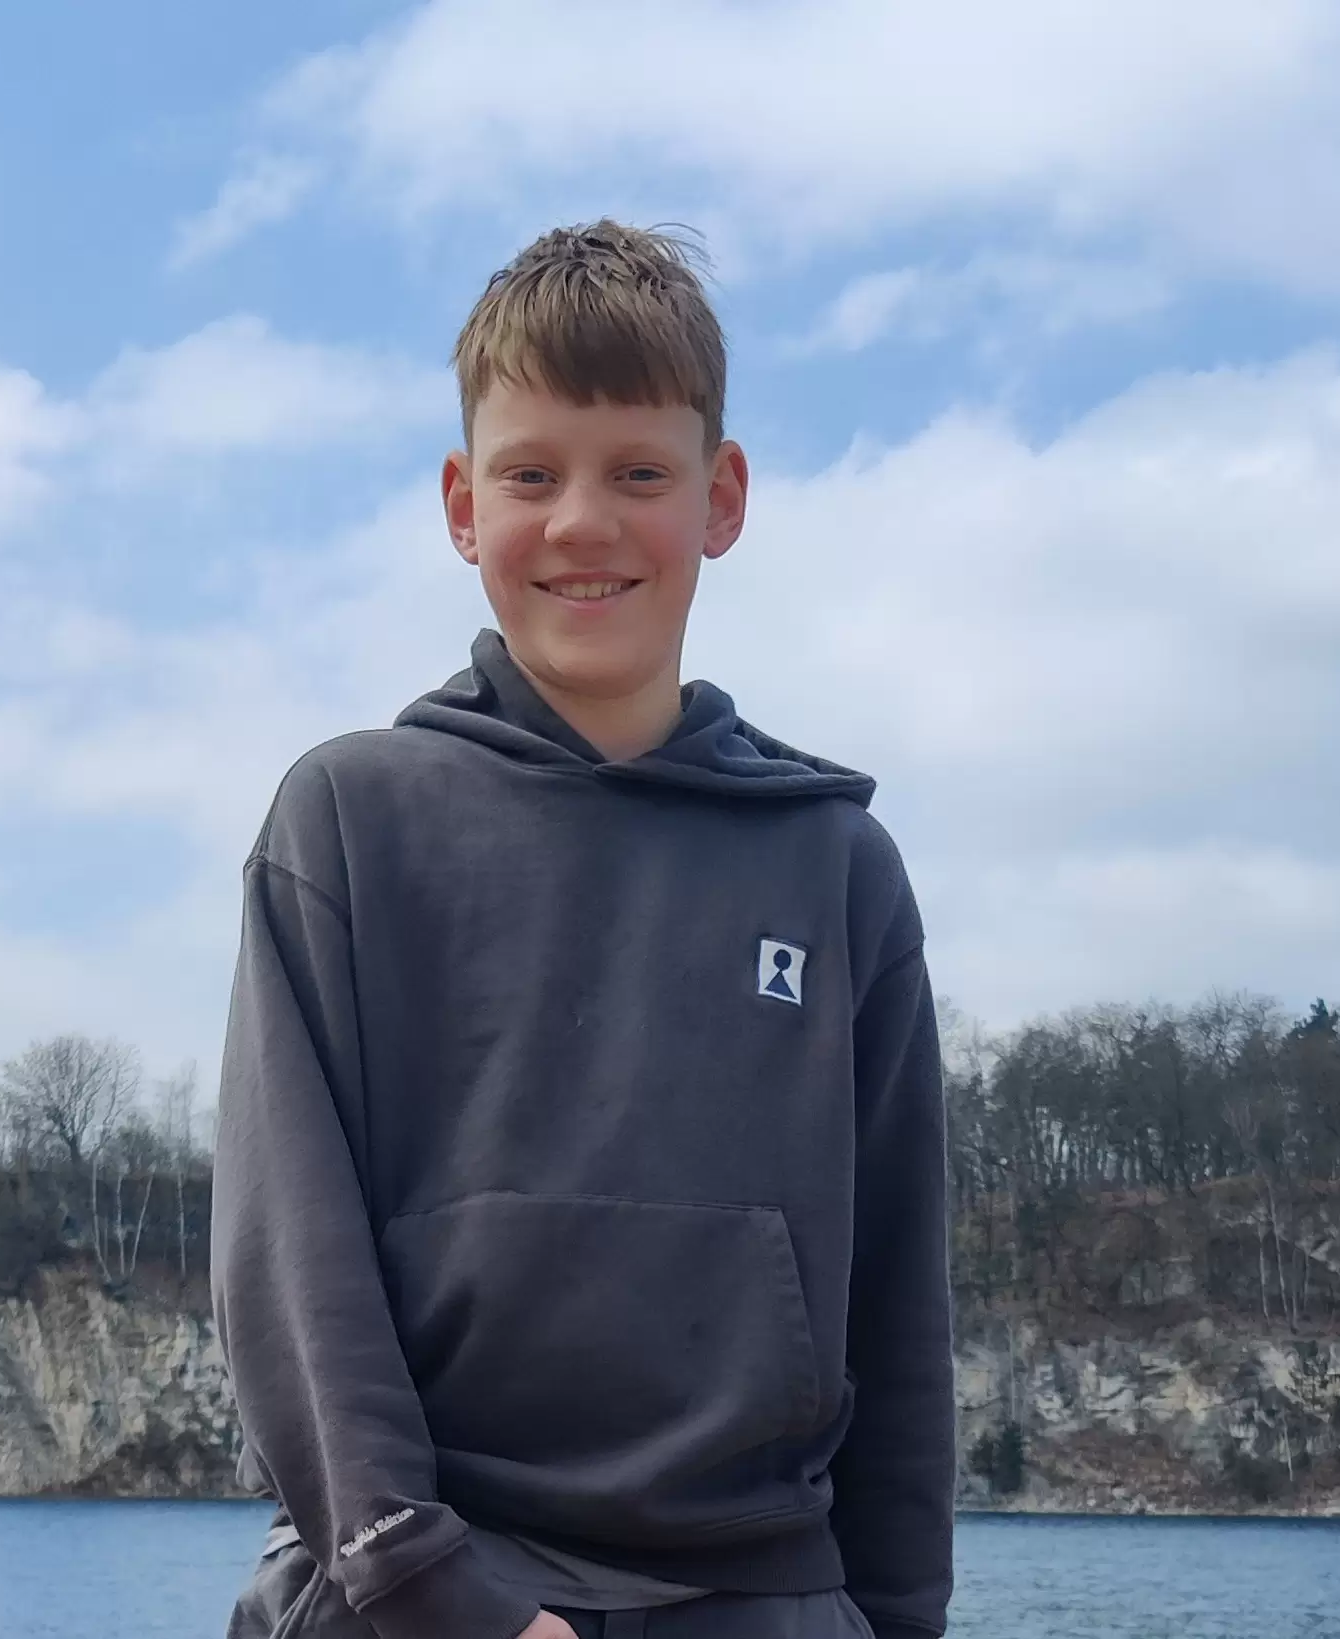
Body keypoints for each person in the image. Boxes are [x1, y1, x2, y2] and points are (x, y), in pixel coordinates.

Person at [212, 219, 954, 1639]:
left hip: (761, 1594)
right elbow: (288, 1261)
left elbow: (901, 1313)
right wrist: (432, 1586)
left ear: (721, 498)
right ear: (461, 503)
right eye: (531, 474)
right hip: (408, 1593)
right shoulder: (347, 823)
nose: (582, 524)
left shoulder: (840, 871)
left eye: (639, 474)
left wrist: (900, 1621)